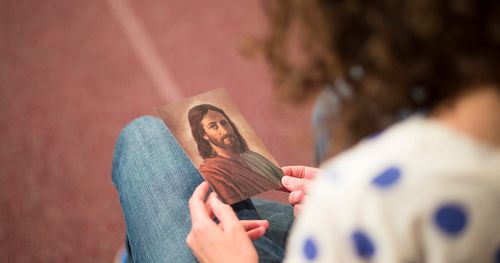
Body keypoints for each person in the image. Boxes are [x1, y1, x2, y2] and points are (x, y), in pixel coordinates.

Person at [112, 0, 500, 262]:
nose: (222, 128)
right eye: (212, 125)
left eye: (220, 120)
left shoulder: (364, 204)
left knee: (145, 140)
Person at [188, 104, 283, 204]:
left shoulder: (253, 157)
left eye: (224, 123)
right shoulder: (212, 173)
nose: (224, 131)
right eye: (213, 126)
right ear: (204, 135)